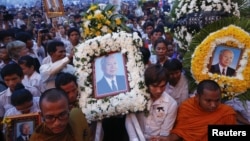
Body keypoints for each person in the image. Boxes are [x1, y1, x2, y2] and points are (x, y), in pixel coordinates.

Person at [161, 80, 236, 141]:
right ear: (197, 97)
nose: (213, 105)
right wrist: (168, 139)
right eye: (208, 101)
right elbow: (181, 131)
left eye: (217, 100)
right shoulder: (187, 107)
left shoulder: (226, 113)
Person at [126, 64, 178, 140]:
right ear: (147, 84)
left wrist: (159, 139)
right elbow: (130, 119)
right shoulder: (137, 98)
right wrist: (134, 139)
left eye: (162, 86)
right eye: (154, 86)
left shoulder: (171, 104)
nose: (159, 90)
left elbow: (165, 133)